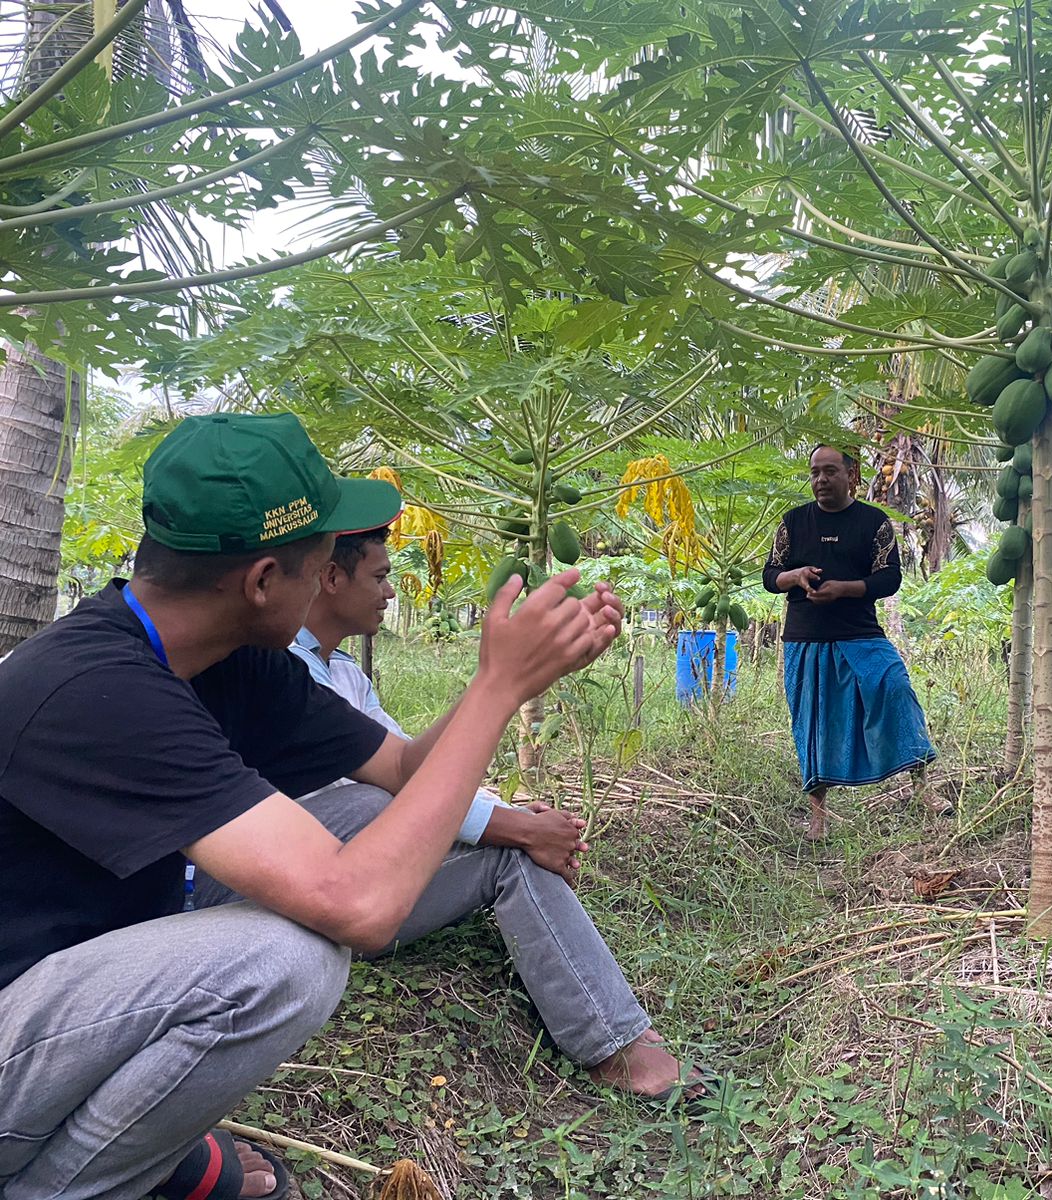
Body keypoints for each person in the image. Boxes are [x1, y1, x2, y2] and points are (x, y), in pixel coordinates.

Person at [0, 413, 657, 1200]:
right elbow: (359, 908)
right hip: (18, 1024)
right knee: (284, 965)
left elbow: (408, 767)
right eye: (319, 566)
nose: (328, 583)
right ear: (263, 581)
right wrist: (498, 691)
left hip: (60, 999)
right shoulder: (92, 690)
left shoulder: (229, 659)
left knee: (340, 836)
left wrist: (508, 674)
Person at [275, 523, 695, 1085]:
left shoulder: (345, 672)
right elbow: (393, 794)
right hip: (296, 887)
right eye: (380, 577)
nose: (392, 593)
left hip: (359, 881)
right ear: (330, 576)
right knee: (383, 806)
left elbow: (413, 769)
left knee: (505, 850)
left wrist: (512, 806)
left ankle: (618, 1037)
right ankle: (618, 1045)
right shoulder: (283, 672)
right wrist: (516, 825)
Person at [762, 444, 937, 840]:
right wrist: (796, 576)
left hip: (861, 633)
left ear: (851, 475)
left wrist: (845, 588)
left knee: (896, 688)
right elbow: (770, 575)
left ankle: (923, 788)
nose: (820, 480)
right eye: (814, 473)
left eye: (829, 472)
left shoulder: (873, 523)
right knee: (812, 723)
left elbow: (888, 577)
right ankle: (818, 817)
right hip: (806, 638)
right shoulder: (793, 523)